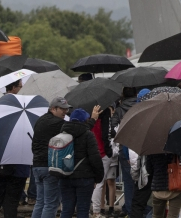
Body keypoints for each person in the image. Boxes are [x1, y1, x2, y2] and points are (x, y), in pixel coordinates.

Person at [31, 97, 74, 218]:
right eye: (62, 109)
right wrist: (92, 120)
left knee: (40, 202)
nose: (65, 112)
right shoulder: (57, 123)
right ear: (53, 109)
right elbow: (74, 129)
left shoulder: (40, 120)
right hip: (49, 166)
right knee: (51, 203)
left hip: (37, 165)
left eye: (66, 109)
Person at [59, 108, 105, 218]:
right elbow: (95, 158)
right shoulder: (88, 135)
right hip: (85, 177)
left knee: (66, 210)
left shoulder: (62, 133)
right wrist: (98, 177)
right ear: (84, 120)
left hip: (65, 176)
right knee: (83, 210)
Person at [111, 87, 138, 217]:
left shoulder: (119, 109)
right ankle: (141, 208)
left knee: (127, 181)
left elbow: (112, 128)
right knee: (141, 181)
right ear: (136, 94)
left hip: (124, 147)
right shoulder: (141, 105)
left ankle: (129, 208)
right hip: (139, 147)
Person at [146, 153, 181, 218]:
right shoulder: (178, 149)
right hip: (176, 186)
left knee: (157, 215)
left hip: (157, 186)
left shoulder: (152, 149)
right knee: (172, 216)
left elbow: (149, 170)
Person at [91, 105, 115, 218]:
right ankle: (96, 211)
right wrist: (109, 151)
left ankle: (94, 208)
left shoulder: (89, 121)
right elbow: (106, 136)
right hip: (102, 153)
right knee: (100, 183)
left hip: (91, 153)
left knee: (92, 183)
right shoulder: (103, 121)